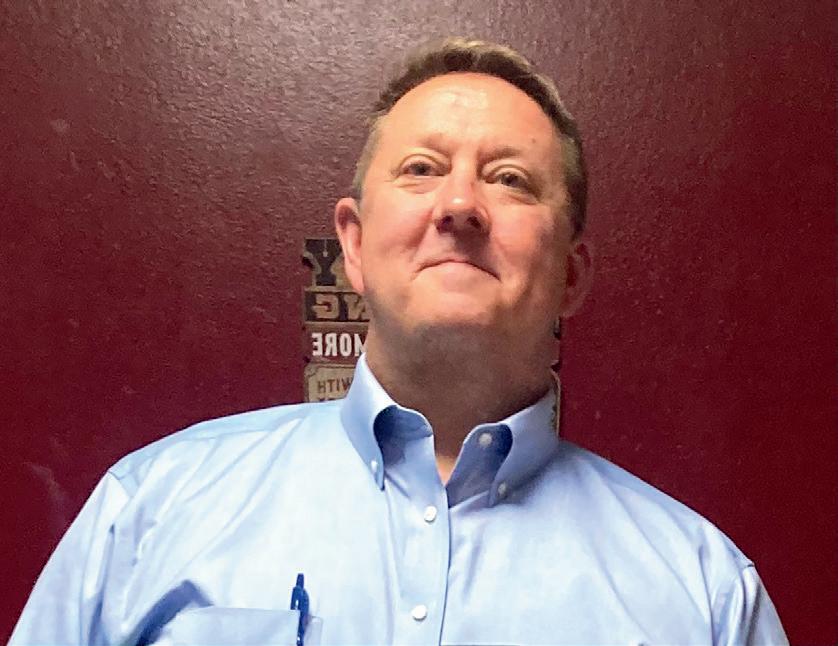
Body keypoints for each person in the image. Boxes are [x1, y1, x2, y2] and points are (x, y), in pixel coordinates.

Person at [12, 38, 787, 645]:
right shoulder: (148, 510)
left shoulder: (707, 594)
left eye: (510, 179)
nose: (460, 205)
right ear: (352, 245)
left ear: (571, 274)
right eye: (421, 169)